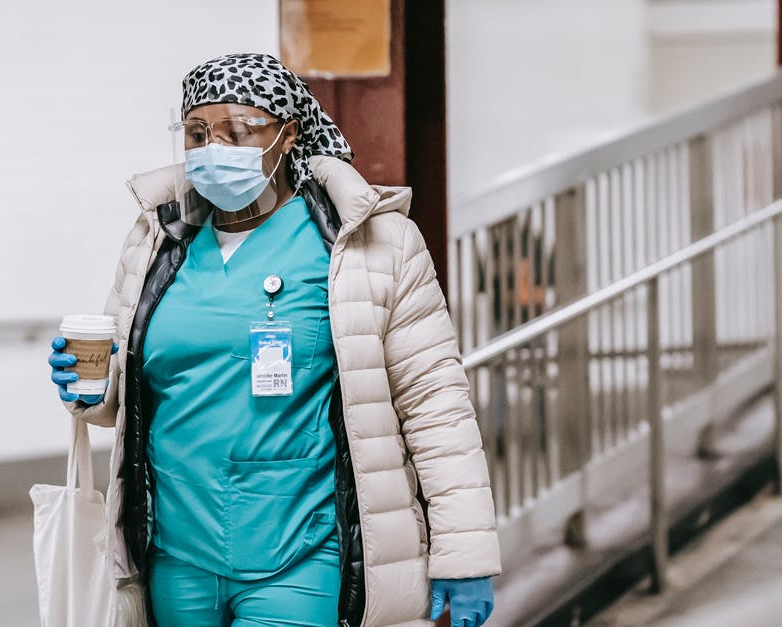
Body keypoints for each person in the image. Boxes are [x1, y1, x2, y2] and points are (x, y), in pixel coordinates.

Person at [47, 53, 501, 627]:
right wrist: (85, 389)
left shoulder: (367, 245)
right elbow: (120, 397)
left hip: (304, 552)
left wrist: (463, 553)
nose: (215, 147)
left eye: (238, 131)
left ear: (287, 135)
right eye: (197, 132)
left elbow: (435, 404)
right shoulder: (155, 242)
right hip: (175, 552)